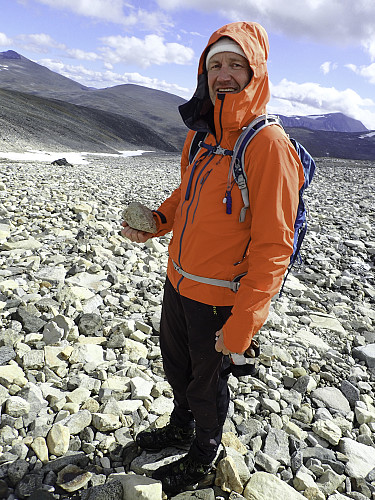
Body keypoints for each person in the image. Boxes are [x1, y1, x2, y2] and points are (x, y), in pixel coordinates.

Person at [121, 21, 305, 495]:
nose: (224, 74)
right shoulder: (203, 134)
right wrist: (158, 222)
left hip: (220, 299)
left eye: (235, 64)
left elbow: (274, 246)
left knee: (208, 384)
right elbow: (189, 193)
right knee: (176, 368)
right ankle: (181, 427)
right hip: (178, 282)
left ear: (255, 72)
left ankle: (205, 452)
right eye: (215, 64)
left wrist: (245, 323)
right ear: (204, 72)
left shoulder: (268, 146)